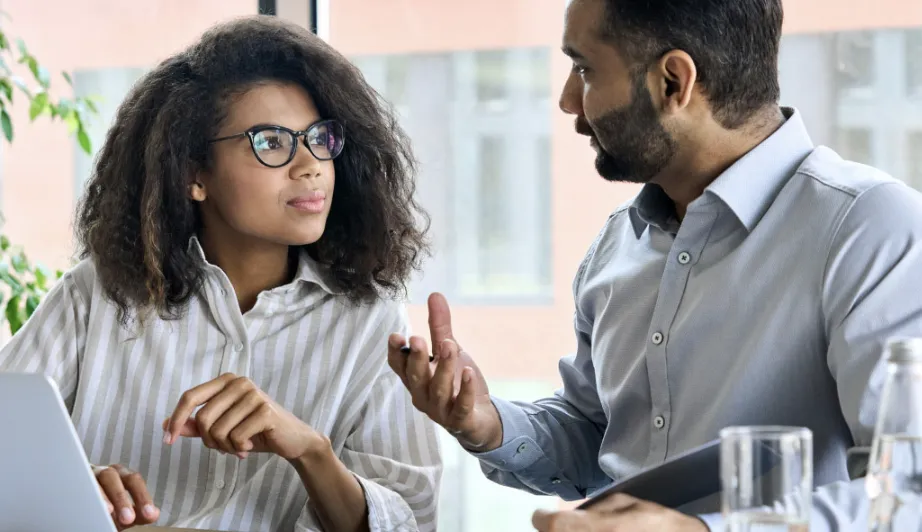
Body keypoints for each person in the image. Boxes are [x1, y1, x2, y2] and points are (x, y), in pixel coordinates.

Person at [387, 0, 922, 530]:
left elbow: (908, 493)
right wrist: (489, 423)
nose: (569, 101)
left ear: (673, 82)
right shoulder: (618, 243)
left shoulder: (871, 228)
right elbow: (597, 436)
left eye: (584, 68)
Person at [0, 16, 441, 532]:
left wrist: (311, 451)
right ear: (193, 175)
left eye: (319, 138)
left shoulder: (373, 320)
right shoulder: (97, 293)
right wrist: (77, 483)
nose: (311, 165)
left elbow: (414, 521)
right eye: (272, 142)